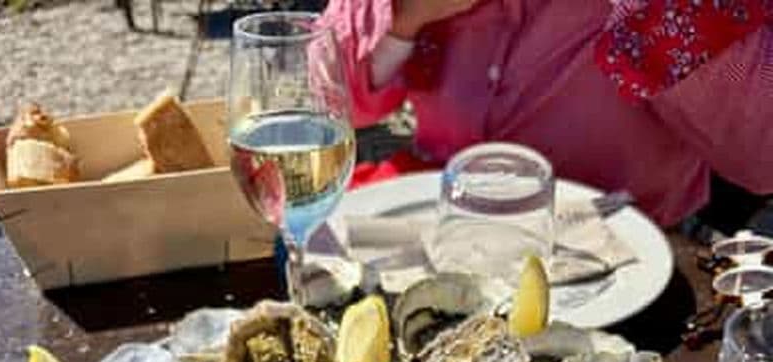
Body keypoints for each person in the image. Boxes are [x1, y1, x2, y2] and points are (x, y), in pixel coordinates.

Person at [319, 0, 773, 226]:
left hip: (623, 262)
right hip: (443, 234)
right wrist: (407, 15)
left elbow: (763, 157)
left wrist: (659, 20)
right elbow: (319, 99)